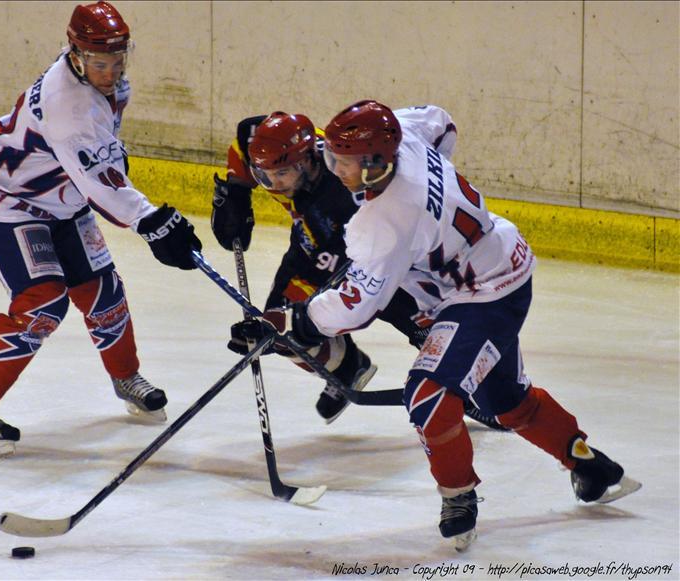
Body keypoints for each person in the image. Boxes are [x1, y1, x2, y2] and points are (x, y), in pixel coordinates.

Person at [245, 100, 641, 551]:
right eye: (333, 158)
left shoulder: (384, 221)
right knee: (504, 401)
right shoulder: (405, 134)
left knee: (428, 394)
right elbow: (441, 121)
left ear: (375, 162)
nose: (336, 170)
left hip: (483, 291)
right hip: (498, 259)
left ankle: (458, 496)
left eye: (345, 163)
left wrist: (296, 318)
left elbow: (356, 308)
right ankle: (593, 467)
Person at [0, 1, 202, 457]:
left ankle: (126, 377)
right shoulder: (69, 106)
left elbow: (96, 162)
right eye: (100, 63)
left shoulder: (97, 79)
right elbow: (99, 182)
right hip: (4, 196)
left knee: (103, 288)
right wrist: (152, 222)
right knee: (43, 299)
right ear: (77, 55)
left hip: (58, 191)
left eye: (117, 60)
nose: (111, 72)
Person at [210, 110, 507, 431]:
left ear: (305, 162)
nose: (274, 185)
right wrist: (237, 188)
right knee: (281, 330)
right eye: (264, 176)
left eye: (281, 174)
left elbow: (345, 294)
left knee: (426, 328)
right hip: (327, 241)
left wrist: (285, 324)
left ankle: (494, 392)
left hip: (398, 262)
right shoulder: (307, 147)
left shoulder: (346, 207)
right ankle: (346, 366)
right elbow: (246, 137)